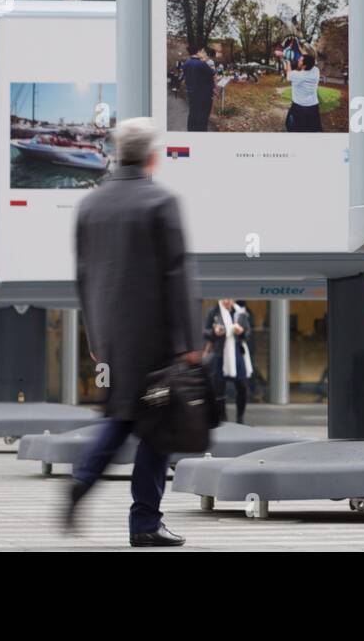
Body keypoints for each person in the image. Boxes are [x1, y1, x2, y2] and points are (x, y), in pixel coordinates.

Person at [68, 117, 202, 546]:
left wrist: (95, 336)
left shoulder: (90, 204)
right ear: (151, 157)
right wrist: (191, 341)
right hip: (156, 339)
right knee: (158, 427)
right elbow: (178, 274)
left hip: (113, 339)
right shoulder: (160, 202)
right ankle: (144, 522)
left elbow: (84, 277)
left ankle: (83, 479)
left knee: (122, 417)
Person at [204, 299, 253, 424]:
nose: (226, 301)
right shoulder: (214, 311)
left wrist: (241, 332)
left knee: (242, 386)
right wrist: (215, 332)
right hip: (220, 354)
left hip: (238, 353)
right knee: (219, 388)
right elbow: (205, 332)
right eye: (224, 298)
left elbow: (248, 333)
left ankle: (240, 418)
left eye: (229, 298)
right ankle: (222, 418)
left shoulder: (240, 312)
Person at [180, 46, 217, 131]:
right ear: (198, 52)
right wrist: (207, 63)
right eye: (201, 52)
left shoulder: (186, 63)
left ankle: (191, 130)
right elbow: (212, 73)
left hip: (191, 92)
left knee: (192, 113)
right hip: (203, 94)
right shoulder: (201, 64)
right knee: (203, 115)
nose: (202, 53)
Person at [285, 52, 323, 132]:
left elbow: (288, 75)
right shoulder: (316, 71)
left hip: (299, 108)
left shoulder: (298, 75)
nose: (298, 60)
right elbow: (311, 60)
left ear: (304, 66)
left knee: (296, 129)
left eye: (300, 60)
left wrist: (288, 62)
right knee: (312, 129)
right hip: (313, 107)